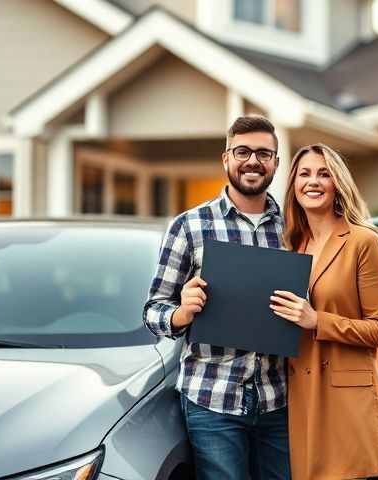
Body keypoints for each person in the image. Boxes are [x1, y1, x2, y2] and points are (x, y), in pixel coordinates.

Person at [144, 115, 290, 480]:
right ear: (226, 159)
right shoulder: (189, 226)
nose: (253, 161)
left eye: (263, 153)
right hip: (212, 399)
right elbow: (153, 311)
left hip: (280, 400)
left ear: (275, 162)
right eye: (242, 151)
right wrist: (182, 312)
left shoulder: (294, 229)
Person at [270, 143, 378, 480]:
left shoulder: (362, 241)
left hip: (347, 401)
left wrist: (317, 320)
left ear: (337, 183)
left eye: (323, 173)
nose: (313, 182)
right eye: (305, 174)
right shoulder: (293, 246)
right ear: (293, 185)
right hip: (301, 399)